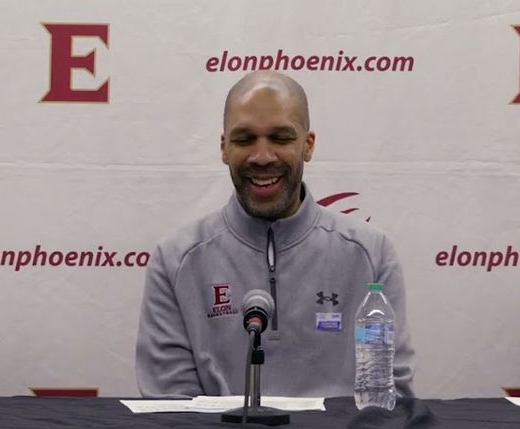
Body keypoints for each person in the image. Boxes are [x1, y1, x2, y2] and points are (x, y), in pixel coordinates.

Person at [135, 71, 415, 398]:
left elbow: (388, 397)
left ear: (307, 146)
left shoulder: (370, 253)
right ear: (224, 147)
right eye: (244, 139)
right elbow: (171, 411)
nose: (262, 156)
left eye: (281, 138)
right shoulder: (176, 259)